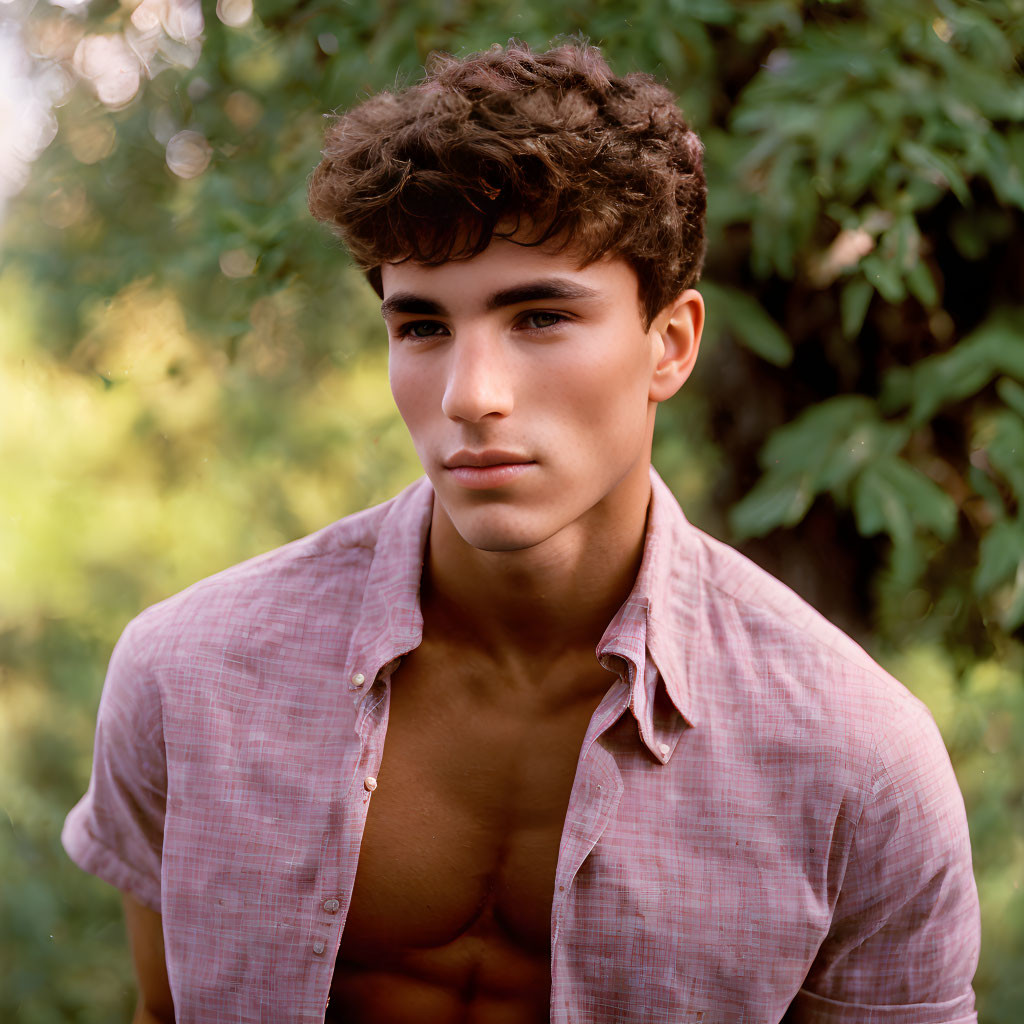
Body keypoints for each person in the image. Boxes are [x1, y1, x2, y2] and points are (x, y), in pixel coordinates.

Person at [63, 39, 981, 1024]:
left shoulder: (855, 759)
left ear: (669, 343)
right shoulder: (186, 675)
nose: (471, 397)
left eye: (538, 317)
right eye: (421, 327)